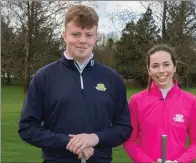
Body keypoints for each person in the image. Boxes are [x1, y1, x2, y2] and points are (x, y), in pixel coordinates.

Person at [18, 4, 132, 163]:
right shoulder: (43, 77)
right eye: (76, 34)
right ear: (65, 35)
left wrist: (95, 138)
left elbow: (124, 128)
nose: (82, 41)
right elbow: (27, 128)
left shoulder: (112, 79)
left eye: (88, 34)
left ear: (96, 36)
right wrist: (68, 142)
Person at [123, 45, 196, 163]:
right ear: (149, 70)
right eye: (155, 66)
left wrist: (179, 162)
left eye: (166, 64)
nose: (161, 70)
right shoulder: (136, 101)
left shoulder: (191, 101)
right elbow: (128, 141)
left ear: (174, 66)